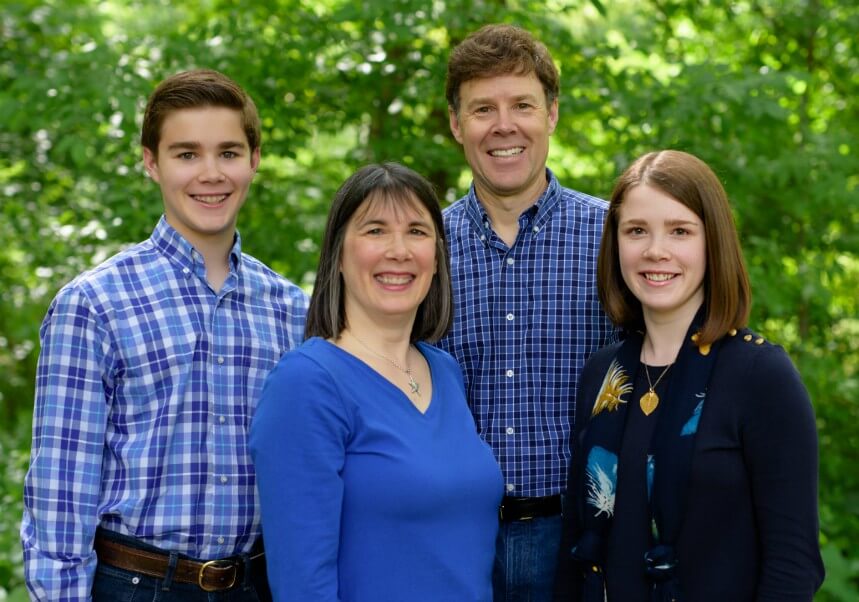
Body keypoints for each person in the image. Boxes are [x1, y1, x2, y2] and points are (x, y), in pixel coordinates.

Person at [21, 69, 309, 601]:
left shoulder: (293, 311)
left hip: (260, 584)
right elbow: (61, 497)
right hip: (136, 584)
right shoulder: (94, 304)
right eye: (186, 154)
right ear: (151, 162)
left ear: (254, 160)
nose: (210, 173)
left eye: (227, 152)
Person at [560, 150, 825, 601]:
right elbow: (576, 548)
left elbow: (793, 564)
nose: (655, 250)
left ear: (712, 242)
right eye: (636, 231)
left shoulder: (760, 374)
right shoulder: (602, 374)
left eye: (680, 231)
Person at [250, 162, 503, 601]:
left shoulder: (444, 371)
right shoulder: (306, 383)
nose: (399, 251)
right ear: (339, 254)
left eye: (417, 232)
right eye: (375, 231)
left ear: (438, 256)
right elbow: (301, 583)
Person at [438, 23, 617, 600]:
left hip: (586, 538)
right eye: (483, 108)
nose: (504, 125)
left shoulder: (617, 238)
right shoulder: (421, 250)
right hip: (454, 538)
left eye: (522, 105)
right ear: (456, 123)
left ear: (553, 115)